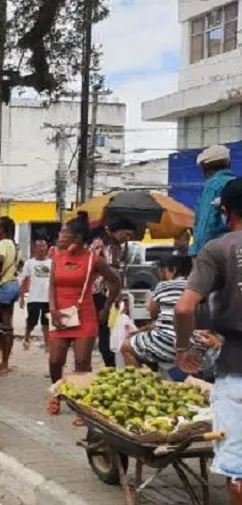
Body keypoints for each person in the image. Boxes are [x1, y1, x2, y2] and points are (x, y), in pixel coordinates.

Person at [174, 177, 242, 504]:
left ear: (226, 213)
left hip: (236, 368)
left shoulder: (217, 250)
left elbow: (184, 307)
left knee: (239, 473)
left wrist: (183, 349)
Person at [48, 212, 121, 416]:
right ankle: (57, 393)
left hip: (85, 315)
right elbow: (51, 285)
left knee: (82, 360)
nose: (59, 236)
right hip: (59, 314)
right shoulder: (57, 255)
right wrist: (52, 309)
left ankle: (82, 405)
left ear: (77, 238)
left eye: (64, 233)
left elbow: (115, 282)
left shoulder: (93, 260)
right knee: (55, 360)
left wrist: (106, 307)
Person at [120, 255, 191, 368]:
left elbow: (151, 313)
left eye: (163, 271)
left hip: (168, 343)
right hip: (192, 342)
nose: (161, 274)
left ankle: (138, 381)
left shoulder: (163, 286)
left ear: (173, 270)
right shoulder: (196, 287)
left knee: (126, 347)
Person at [90, 217, 137, 368]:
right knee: (106, 332)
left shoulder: (99, 241)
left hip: (93, 292)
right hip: (104, 294)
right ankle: (110, 366)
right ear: (118, 230)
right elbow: (112, 273)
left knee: (101, 330)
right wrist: (116, 295)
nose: (127, 238)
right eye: (126, 234)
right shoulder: (112, 246)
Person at [191, 144, 236, 256]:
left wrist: (196, 252)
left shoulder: (213, 186)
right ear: (228, 164)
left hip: (212, 253)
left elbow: (205, 224)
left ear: (205, 167)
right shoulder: (236, 184)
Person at [0, 216, 19, 375]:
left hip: (2, 286)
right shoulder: (13, 244)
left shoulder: (2, 243)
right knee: (7, 326)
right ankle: (5, 363)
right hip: (13, 285)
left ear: (2, 230)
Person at [20, 239, 52, 352]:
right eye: (40, 246)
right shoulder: (29, 263)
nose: (42, 249)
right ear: (35, 248)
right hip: (34, 297)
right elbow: (24, 280)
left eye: (44, 246)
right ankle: (26, 337)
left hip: (48, 298)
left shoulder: (51, 263)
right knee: (32, 320)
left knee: (46, 321)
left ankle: (48, 344)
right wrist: (21, 298)